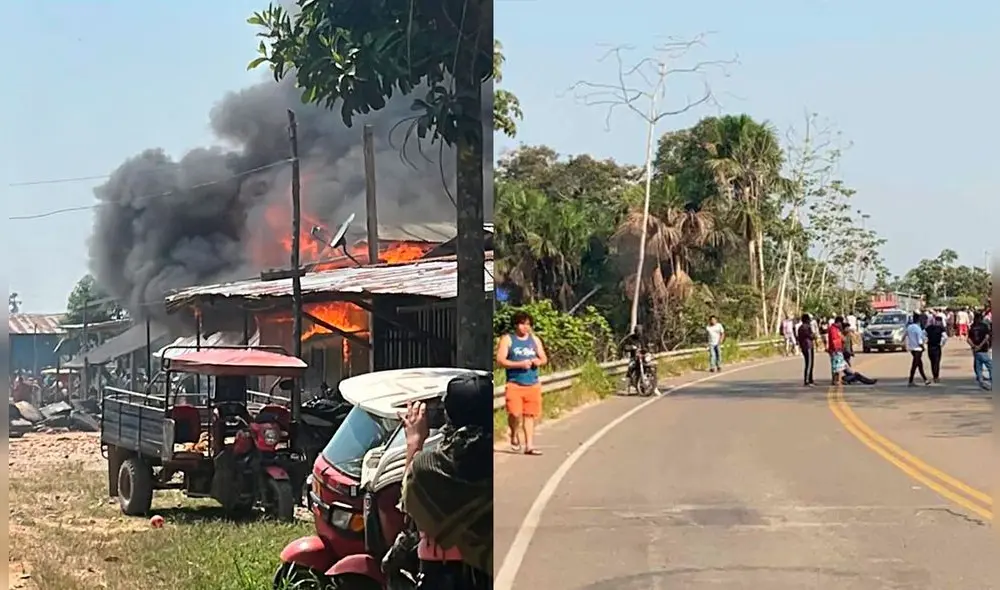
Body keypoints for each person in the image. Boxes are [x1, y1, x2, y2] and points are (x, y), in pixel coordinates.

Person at [399, 373, 492, 589]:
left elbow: (407, 504)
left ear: (448, 417)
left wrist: (414, 442)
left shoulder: (428, 466)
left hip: (442, 573)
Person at [496, 311, 548, 455]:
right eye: (522, 324)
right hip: (514, 384)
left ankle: (529, 445)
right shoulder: (508, 339)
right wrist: (519, 364)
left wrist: (538, 361)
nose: (525, 327)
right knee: (514, 413)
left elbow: (544, 358)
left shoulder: (534, 340)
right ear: (516, 325)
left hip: (532, 383)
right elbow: (500, 360)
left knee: (529, 415)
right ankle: (513, 433)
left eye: (528, 324)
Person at [967, 312, 992, 390]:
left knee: (978, 367)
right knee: (990, 366)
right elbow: (987, 337)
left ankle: (981, 381)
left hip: (975, 350)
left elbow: (968, 339)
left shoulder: (972, 327)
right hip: (983, 349)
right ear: (981, 318)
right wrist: (980, 345)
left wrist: (974, 346)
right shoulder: (984, 326)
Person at [905, 312, 931, 387]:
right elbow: (919, 341)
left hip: (912, 348)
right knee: (915, 365)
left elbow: (905, 336)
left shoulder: (909, 327)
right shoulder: (918, 329)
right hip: (918, 349)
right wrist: (923, 347)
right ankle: (910, 381)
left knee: (919, 364)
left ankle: (925, 380)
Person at [924, 315, 948, 383]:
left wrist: (926, 341)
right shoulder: (941, 328)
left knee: (932, 362)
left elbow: (923, 334)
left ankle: (934, 375)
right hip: (937, 347)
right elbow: (945, 337)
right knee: (937, 362)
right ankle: (936, 377)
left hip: (930, 347)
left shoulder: (928, 328)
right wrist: (942, 344)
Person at [797, 313, 816, 387]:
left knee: (808, 363)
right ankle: (807, 380)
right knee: (809, 364)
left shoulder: (800, 328)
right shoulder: (806, 327)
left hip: (804, 346)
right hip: (808, 346)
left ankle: (810, 380)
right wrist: (814, 335)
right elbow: (811, 336)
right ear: (807, 320)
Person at [827, 316, 846, 385]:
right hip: (835, 350)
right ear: (839, 322)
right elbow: (834, 340)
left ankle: (838, 379)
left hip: (838, 349)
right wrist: (836, 349)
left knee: (839, 366)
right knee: (835, 366)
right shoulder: (833, 329)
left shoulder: (837, 329)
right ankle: (835, 380)